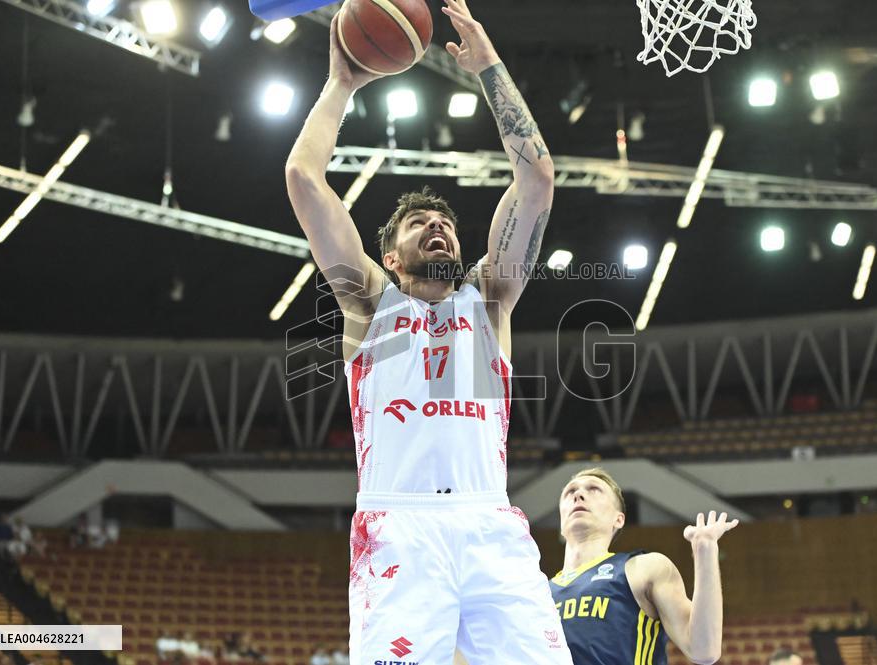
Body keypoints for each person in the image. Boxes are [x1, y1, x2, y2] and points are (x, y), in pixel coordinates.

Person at [285, 0, 566, 662]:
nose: (436, 227)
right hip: (398, 524)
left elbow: (537, 181)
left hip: (489, 522)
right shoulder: (367, 307)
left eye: (444, 223)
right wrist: (341, 83)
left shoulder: (490, 300)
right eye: (418, 225)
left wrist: (489, 66)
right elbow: (303, 177)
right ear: (389, 256)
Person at [549, 468, 739, 665]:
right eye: (570, 492)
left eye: (594, 489)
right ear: (561, 522)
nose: (578, 495)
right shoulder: (539, 593)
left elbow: (704, 650)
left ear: (619, 519)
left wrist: (705, 550)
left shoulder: (643, 568)